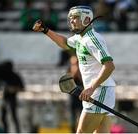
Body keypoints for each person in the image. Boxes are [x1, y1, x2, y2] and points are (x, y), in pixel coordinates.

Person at [33, 5, 116, 133]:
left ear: (87, 20)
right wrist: (46, 30)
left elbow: (109, 66)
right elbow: (65, 43)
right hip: (101, 90)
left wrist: (91, 88)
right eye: (70, 18)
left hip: (99, 91)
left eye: (76, 17)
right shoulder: (80, 38)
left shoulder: (92, 40)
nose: (71, 20)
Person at [0, 60, 25, 133]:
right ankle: (5, 131)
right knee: (3, 117)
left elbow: (22, 88)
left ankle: (18, 131)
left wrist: (13, 89)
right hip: (4, 98)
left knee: (14, 116)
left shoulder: (15, 76)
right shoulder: (3, 75)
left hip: (12, 98)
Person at [67, 55, 83, 132]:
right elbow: (69, 82)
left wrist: (78, 70)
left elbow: (82, 81)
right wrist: (74, 71)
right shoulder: (69, 70)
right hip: (73, 98)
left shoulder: (82, 70)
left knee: (81, 116)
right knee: (72, 118)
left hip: (81, 97)